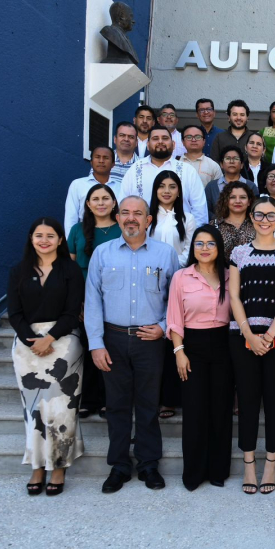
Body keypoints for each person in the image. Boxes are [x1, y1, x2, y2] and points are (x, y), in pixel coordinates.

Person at [85, 196, 180, 494]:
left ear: (148, 220)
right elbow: (92, 302)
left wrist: (164, 328)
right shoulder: (102, 254)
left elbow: (176, 301)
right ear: (116, 218)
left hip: (150, 340)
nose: (131, 218)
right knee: (117, 405)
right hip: (112, 339)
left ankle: (148, 464)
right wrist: (96, 344)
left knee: (149, 404)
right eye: (124, 213)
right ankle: (119, 465)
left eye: (137, 213)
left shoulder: (166, 255)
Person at [229, 197, 275, 495]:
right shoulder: (238, 253)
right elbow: (234, 296)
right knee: (247, 401)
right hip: (242, 335)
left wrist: (269, 336)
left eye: (270, 215)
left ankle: (271, 462)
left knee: (274, 400)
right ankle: (248, 464)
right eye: (259, 214)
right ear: (252, 216)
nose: (264, 219)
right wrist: (248, 334)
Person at [8, 217, 85, 496]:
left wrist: (50, 338)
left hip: (63, 343)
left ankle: (59, 466)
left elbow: (72, 309)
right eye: (39, 235)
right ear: (31, 239)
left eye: (50, 235)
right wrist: (33, 340)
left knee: (60, 409)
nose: (44, 240)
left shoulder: (70, 270)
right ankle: (37, 466)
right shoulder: (18, 271)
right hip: (27, 347)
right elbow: (14, 313)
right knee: (34, 411)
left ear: (60, 240)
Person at [165, 225, 233, 491]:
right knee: (194, 411)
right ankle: (193, 473)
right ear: (193, 248)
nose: (205, 249)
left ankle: (218, 470)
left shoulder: (229, 276)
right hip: (191, 346)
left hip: (223, 345)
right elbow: (174, 319)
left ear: (219, 248)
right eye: (199, 244)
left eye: (210, 244)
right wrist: (179, 352)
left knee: (221, 409)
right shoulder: (182, 277)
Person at [68, 185, 120, 419]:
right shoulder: (77, 230)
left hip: (115, 297)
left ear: (113, 202)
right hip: (85, 298)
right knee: (91, 350)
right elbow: (69, 269)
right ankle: (89, 400)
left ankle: (110, 401)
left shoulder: (122, 229)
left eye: (105, 198)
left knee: (113, 351)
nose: (101, 203)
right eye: (95, 199)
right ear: (88, 204)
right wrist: (77, 303)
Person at [147, 172, 196, 419]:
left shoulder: (187, 218)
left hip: (179, 283)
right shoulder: (147, 218)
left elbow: (190, 250)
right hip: (149, 285)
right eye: (162, 186)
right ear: (155, 190)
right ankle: (152, 397)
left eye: (172, 186)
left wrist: (171, 268)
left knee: (174, 338)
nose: (167, 191)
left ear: (179, 191)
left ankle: (170, 398)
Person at [120, 125, 208, 225]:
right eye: (155, 138)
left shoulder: (188, 171)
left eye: (165, 138)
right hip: (143, 236)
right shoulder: (135, 170)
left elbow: (199, 209)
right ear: (148, 145)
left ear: (173, 144)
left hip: (181, 235)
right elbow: (123, 204)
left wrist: (194, 237)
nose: (160, 141)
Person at [64, 146, 120, 233]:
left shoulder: (120, 187)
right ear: (91, 162)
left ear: (113, 164)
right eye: (97, 157)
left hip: (113, 234)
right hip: (84, 233)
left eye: (106, 158)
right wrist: (71, 241)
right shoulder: (77, 184)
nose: (101, 161)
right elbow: (70, 217)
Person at [206, 145, 259, 214]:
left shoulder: (251, 186)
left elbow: (255, 211)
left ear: (242, 165)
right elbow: (206, 211)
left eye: (236, 159)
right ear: (221, 164)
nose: (231, 162)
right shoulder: (211, 186)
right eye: (227, 158)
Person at [212, 180, 256, 261]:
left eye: (242, 197)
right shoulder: (214, 225)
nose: (238, 201)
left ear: (249, 202)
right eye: (232, 197)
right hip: (222, 272)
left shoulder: (257, 224)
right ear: (226, 201)